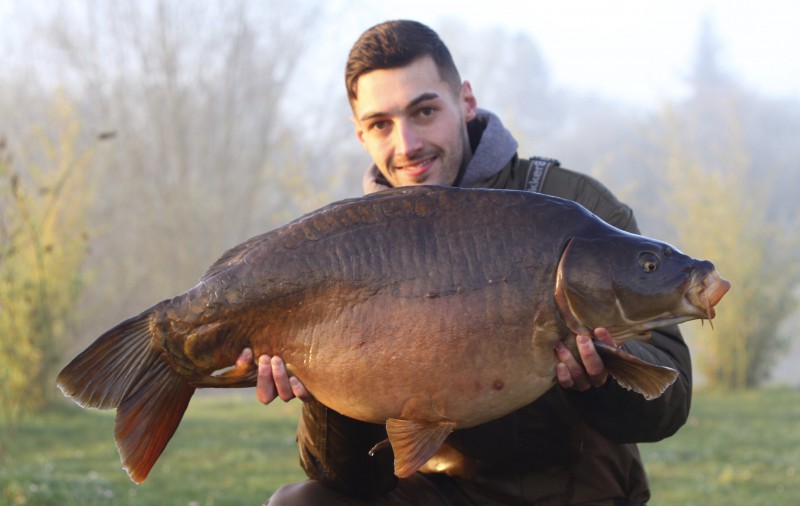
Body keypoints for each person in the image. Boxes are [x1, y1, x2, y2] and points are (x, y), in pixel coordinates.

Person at [237, 19, 692, 505]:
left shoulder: (570, 205)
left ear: (466, 101)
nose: (407, 144)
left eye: (425, 111)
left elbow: (670, 397)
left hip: (582, 490)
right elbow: (352, 482)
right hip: (441, 491)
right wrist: (325, 393)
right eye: (381, 124)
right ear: (360, 135)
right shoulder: (348, 253)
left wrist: (601, 377)